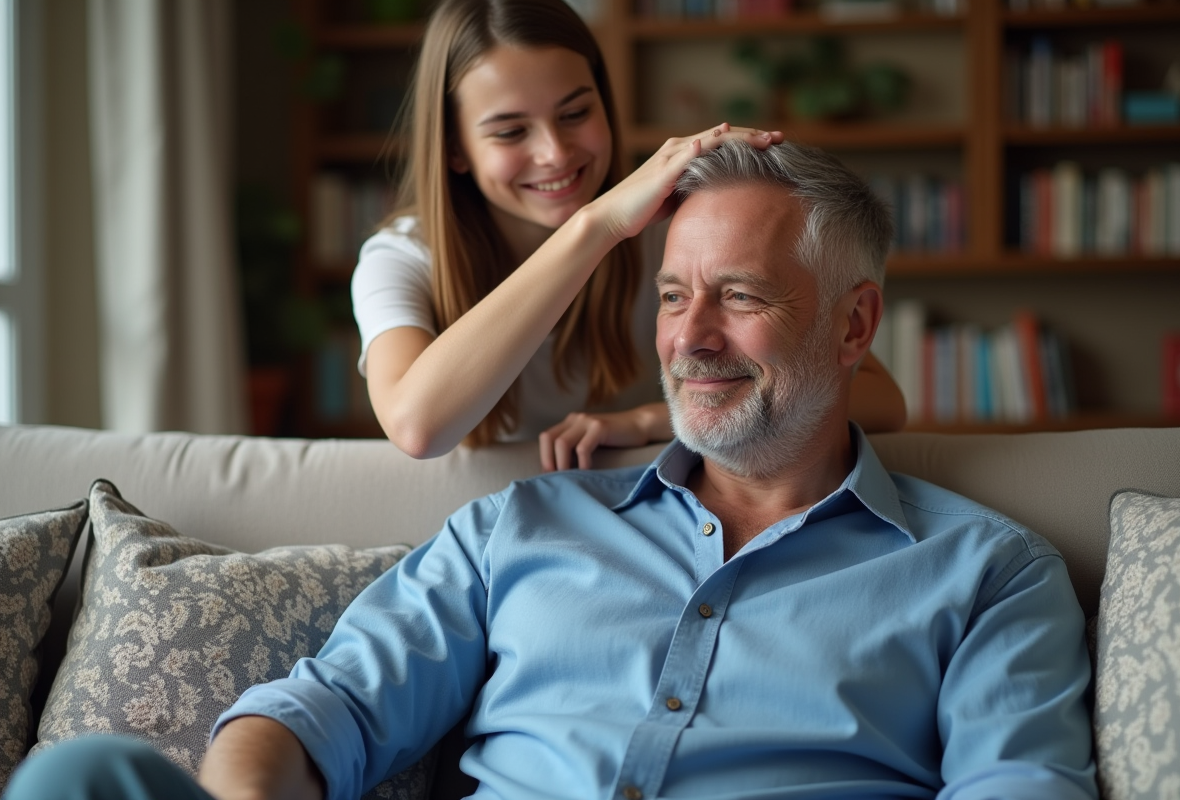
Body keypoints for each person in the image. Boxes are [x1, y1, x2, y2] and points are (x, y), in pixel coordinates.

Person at [6, 141, 1097, 800]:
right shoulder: (519, 526)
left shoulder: (987, 575)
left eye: (742, 296)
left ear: (856, 324)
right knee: (79, 778)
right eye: (672, 295)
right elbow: (315, 711)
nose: (691, 336)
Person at [352, 0, 907, 472]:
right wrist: (595, 226)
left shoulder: (665, 228)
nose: (555, 153)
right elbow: (417, 428)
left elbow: (883, 399)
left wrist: (648, 421)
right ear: (454, 149)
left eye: (575, 114)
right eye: (511, 131)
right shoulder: (401, 257)